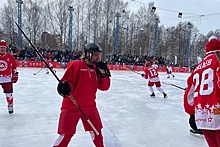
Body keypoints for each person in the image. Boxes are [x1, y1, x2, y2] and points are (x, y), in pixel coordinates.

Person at [53, 43, 111, 147]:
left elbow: (104, 87)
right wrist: (65, 86)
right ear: (88, 54)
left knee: (97, 133)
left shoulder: (97, 68)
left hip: (90, 107)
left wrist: (103, 74)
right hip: (71, 107)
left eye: (100, 55)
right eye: (96, 54)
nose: (99, 57)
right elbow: (67, 81)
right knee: (66, 135)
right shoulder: (76, 65)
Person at [184, 36, 220, 146]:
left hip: (202, 116)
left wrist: (192, 112)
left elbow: (189, 96)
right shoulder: (218, 60)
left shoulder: (197, 68)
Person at [0, 40, 18, 114]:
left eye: (4, 47)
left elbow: (14, 66)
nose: (2, 49)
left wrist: (15, 74)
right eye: (1, 47)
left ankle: (10, 105)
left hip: (6, 78)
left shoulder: (9, 56)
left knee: (9, 94)